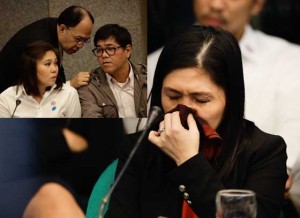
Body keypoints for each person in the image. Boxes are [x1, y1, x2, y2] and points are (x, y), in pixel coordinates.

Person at [104, 25, 288, 218]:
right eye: (173, 96)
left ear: (230, 99)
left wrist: (188, 160)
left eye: (201, 100)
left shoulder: (265, 152)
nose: (184, 110)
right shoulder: (139, 148)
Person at [148, 0, 300, 211]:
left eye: (201, 99)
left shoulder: (290, 60)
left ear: (257, 5)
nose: (216, 5)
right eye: (173, 95)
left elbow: (292, 128)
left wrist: (275, 173)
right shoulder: (152, 63)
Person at [0, 5, 94, 93]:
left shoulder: (55, 26)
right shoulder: (40, 43)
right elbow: (39, 92)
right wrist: (70, 85)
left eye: (85, 41)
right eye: (78, 39)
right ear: (62, 29)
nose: (80, 46)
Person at [78, 24, 147, 118]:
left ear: (127, 51)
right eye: (99, 50)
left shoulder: (148, 76)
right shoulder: (89, 86)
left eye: (110, 49)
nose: (104, 55)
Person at [0, 40, 81, 118]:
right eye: (47, 64)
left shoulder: (69, 94)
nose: (54, 69)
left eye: (56, 63)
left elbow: (75, 130)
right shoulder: (7, 98)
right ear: (30, 68)